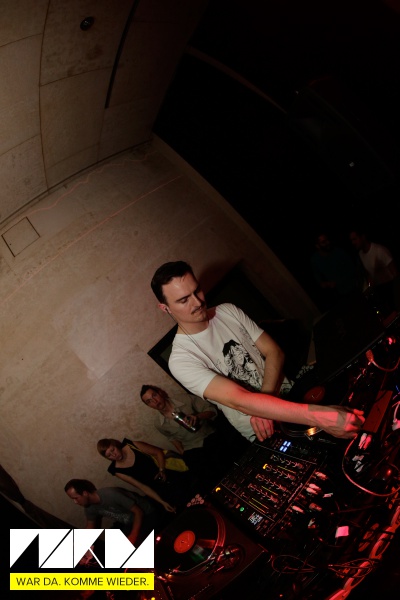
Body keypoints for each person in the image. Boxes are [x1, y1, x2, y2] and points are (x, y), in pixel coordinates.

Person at [150, 261, 365, 442]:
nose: (198, 302)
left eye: (197, 290)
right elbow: (239, 399)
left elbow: (274, 352)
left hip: (291, 394)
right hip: (262, 428)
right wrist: (320, 417)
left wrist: (265, 404)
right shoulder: (181, 360)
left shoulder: (227, 311)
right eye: (184, 300)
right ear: (165, 307)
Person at [140, 384, 250, 492]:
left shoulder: (183, 399)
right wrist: (183, 454)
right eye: (149, 401)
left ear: (160, 393)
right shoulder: (159, 423)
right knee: (205, 476)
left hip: (208, 435)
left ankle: (246, 481)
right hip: (191, 448)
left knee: (227, 458)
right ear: (148, 406)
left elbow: (211, 410)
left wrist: (198, 417)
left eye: (154, 395)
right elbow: (172, 439)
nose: (154, 401)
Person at [97, 437, 193, 518]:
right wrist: (162, 502)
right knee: (178, 509)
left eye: (113, 450)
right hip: (158, 489)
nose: (114, 455)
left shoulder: (132, 445)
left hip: (168, 471)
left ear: (116, 445)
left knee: (191, 489)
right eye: (109, 455)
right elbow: (142, 487)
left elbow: (158, 452)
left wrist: (161, 470)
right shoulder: (116, 470)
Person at [64, 478, 156, 548]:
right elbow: (90, 528)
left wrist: (133, 536)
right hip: (130, 522)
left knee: (137, 545)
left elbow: (138, 512)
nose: (75, 502)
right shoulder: (89, 507)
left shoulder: (111, 494)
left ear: (85, 493)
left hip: (146, 514)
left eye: (76, 498)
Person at [349, 227, 400, 318]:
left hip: (391, 287)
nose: (353, 243)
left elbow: (395, 273)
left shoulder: (379, 250)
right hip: (380, 290)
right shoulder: (361, 254)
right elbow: (369, 273)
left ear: (363, 237)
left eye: (355, 239)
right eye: (351, 240)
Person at [310, 230, 365, 310]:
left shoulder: (338, 251)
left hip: (354, 288)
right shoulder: (315, 260)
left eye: (327, 240)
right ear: (318, 246)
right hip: (339, 295)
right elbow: (319, 279)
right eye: (323, 242)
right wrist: (326, 284)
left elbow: (353, 269)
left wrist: (338, 282)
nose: (328, 243)